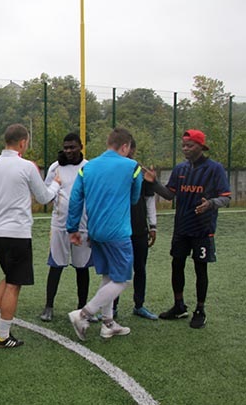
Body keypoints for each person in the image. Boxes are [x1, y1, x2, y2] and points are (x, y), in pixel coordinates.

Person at [0, 124, 59, 348]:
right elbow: (44, 197)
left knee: (10, 275)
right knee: (14, 283)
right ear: (23, 142)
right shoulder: (27, 166)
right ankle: (3, 336)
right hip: (17, 233)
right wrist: (56, 185)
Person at [144, 129, 230, 329]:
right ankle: (179, 305)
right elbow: (169, 195)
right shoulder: (180, 169)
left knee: (200, 268)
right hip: (181, 228)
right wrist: (154, 182)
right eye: (183, 145)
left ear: (201, 146)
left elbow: (226, 198)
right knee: (177, 264)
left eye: (189, 145)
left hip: (203, 229)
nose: (185, 149)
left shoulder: (215, 169)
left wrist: (210, 203)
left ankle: (200, 310)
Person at [67, 127, 142, 341]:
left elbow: (75, 198)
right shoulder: (132, 166)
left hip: (95, 231)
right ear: (125, 146)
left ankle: (108, 324)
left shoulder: (88, 167)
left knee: (109, 275)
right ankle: (83, 314)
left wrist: (73, 228)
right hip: (117, 232)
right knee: (123, 279)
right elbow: (134, 197)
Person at [39, 133, 93, 323]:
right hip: (60, 225)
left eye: (72, 147)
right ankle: (48, 306)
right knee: (56, 265)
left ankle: (82, 308)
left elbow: (93, 196)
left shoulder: (89, 167)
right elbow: (47, 192)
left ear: (81, 147)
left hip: (83, 226)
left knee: (82, 268)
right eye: (66, 147)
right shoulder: (56, 167)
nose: (69, 151)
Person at [112, 139, 159, 320]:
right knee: (117, 269)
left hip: (139, 229)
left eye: (130, 147)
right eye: (124, 147)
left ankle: (139, 305)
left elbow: (149, 199)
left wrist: (152, 226)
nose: (127, 151)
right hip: (118, 229)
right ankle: (112, 307)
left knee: (140, 268)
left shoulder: (141, 171)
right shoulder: (113, 170)